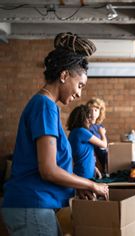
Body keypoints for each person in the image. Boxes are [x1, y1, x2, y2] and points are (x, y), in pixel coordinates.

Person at [1, 32, 109, 236]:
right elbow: (48, 170)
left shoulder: (45, 106)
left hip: (34, 207)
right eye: (80, 85)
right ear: (64, 75)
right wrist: (91, 184)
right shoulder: (45, 106)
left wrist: (77, 186)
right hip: (31, 205)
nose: (79, 93)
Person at [67, 104, 108, 179]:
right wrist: (102, 133)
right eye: (88, 117)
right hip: (84, 174)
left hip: (83, 172)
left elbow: (84, 155)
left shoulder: (75, 132)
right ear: (82, 118)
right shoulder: (81, 132)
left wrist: (94, 168)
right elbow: (104, 145)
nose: (90, 119)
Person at [86, 97, 109, 175]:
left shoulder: (100, 126)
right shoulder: (86, 127)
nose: (93, 113)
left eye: (96, 110)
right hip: (94, 161)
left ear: (100, 112)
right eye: (90, 110)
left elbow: (105, 145)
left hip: (104, 158)